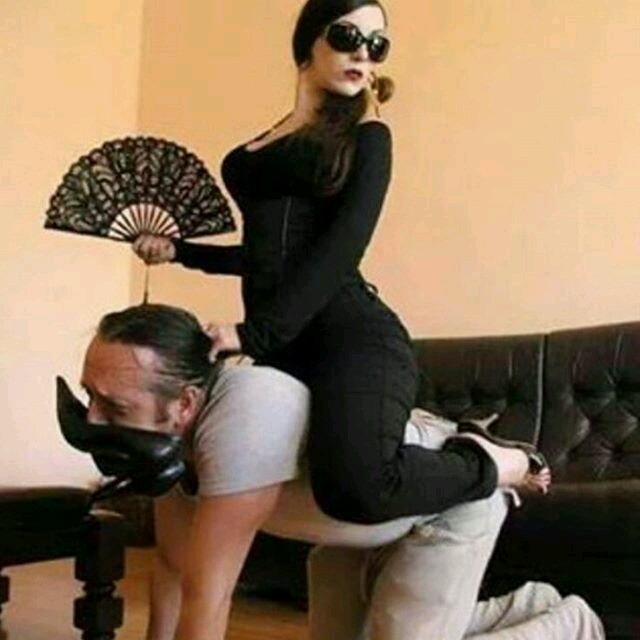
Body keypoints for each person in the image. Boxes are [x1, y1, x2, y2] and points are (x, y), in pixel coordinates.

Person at [133, 0, 550, 526]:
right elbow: (270, 257)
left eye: (377, 46)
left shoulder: (368, 136)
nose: (363, 54)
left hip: (353, 337)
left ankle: (494, 459)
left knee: (355, 492)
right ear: (307, 40)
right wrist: (181, 251)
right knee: (212, 467)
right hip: (286, 347)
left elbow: (341, 249)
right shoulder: (263, 144)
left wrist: (254, 333)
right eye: (347, 37)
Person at [78, 304, 603, 640]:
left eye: (114, 406)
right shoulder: (167, 445)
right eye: (89, 397)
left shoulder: (244, 412)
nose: (93, 421)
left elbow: (208, 596)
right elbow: (173, 570)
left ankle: (571, 624)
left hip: (441, 507)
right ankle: (531, 606)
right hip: (348, 537)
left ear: (186, 403)